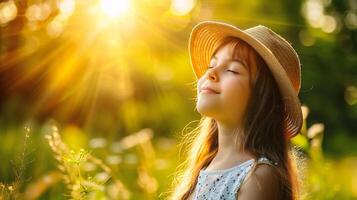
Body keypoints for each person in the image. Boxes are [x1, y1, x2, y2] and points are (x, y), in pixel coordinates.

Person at [170, 20, 303, 200]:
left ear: (262, 96)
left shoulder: (259, 176)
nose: (211, 73)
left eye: (232, 70)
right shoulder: (203, 166)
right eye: (211, 65)